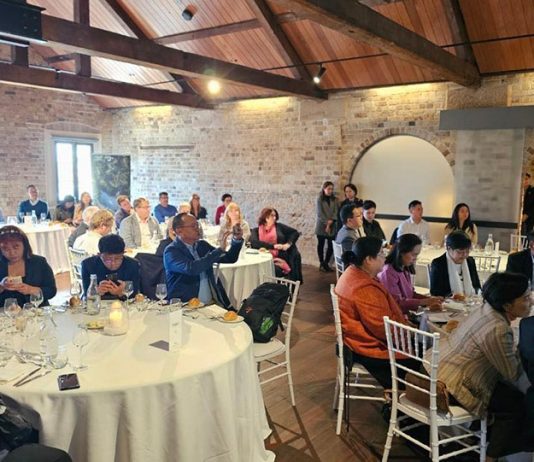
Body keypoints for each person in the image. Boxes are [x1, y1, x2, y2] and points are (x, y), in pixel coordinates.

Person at [428, 272, 533, 459]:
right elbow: (513, 374)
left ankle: (475, 439)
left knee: (506, 394)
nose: (531, 301)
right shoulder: (499, 329)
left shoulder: (484, 309)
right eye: (525, 298)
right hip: (451, 385)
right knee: (516, 404)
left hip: (435, 369)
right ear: (507, 305)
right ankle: (490, 457)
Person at [335, 236, 416, 389]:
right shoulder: (363, 287)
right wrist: (407, 332)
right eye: (381, 253)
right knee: (422, 360)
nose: (385, 257)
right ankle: (406, 399)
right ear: (368, 260)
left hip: (353, 341)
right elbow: (382, 328)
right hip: (364, 347)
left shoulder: (353, 272)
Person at [163, 213, 243, 309]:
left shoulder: (202, 246)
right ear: (179, 230)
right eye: (193, 226)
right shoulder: (171, 251)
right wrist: (218, 251)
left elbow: (229, 258)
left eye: (198, 225)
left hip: (211, 304)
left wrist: (237, 240)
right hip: (185, 306)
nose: (198, 229)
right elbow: (192, 269)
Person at [378, 234, 442, 314]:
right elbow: (396, 303)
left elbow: (411, 294)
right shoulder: (388, 272)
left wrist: (431, 299)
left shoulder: (404, 267)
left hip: (406, 313)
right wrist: (425, 301)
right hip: (395, 316)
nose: (415, 258)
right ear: (402, 252)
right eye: (413, 254)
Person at [0, 226, 56, 307]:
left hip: (36, 311)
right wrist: (1, 286)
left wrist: (31, 290)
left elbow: (52, 291)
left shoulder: (39, 262)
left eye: (16, 247)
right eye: (5, 248)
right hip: (6, 312)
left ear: (24, 245)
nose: (12, 252)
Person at [81, 234, 140, 300]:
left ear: (123, 254)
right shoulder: (88, 265)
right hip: (99, 304)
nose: (113, 263)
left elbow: (136, 296)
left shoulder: (132, 265)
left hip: (123, 304)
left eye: (117, 259)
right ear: (99, 255)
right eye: (107, 259)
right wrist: (95, 292)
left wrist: (121, 293)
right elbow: (86, 296)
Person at [250, 208, 303, 282]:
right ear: (265, 217)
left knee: (272, 269)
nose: (274, 218)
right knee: (256, 269)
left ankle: (276, 285)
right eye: (272, 216)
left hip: (280, 257)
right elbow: (254, 242)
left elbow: (295, 233)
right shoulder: (256, 230)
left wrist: (288, 244)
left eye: (275, 216)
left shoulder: (279, 227)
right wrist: (273, 246)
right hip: (263, 257)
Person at [429, 230, 481, 297]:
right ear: (449, 248)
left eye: (467, 251)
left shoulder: (470, 261)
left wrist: (477, 293)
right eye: (460, 252)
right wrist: (454, 298)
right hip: (449, 302)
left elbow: (477, 286)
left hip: (470, 301)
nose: (465, 255)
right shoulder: (438, 264)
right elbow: (435, 293)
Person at [316, 181, 338, 272]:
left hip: (332, 225)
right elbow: (319, 213)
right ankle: (321, 263)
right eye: (328, 189)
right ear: (324, 189)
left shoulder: (335, 200)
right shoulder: (320, 199)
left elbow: (336, 212)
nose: (330, 191)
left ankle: (326, 263)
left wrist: (331, 222)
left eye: (332, 189)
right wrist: (327, 223)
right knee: (321, 245)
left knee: (331, 245)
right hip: (321, 225)